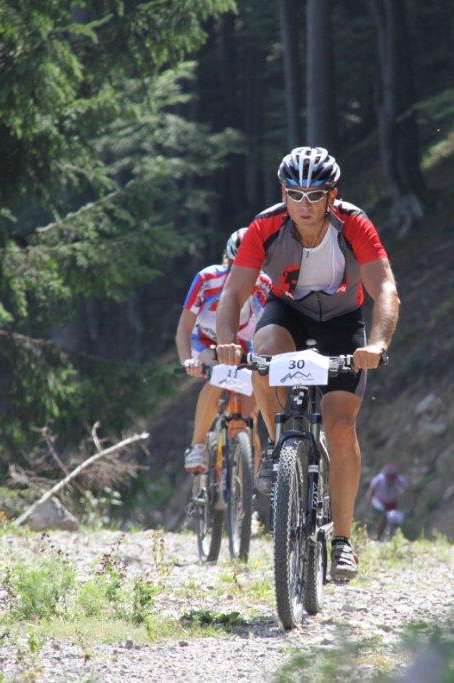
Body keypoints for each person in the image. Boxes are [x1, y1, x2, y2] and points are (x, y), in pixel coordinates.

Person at [215, 146, 401, 582]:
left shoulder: (353, 223)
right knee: (263, 352)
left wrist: (377, 343)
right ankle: (277, 445)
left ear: (331, 195)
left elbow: (385, 290)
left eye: (315, 195)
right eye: (294, 194)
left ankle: (343, 541)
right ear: (283, 193)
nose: (304, 204)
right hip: (289, 313)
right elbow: (233, 293)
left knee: (340, 425)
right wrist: (225, 341)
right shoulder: (266, 225)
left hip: (343, 321)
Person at [176, 228, 272, 473]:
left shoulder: (264, 286)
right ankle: (198, 446)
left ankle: (248, 487)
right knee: (220, 374)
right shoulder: (207, 280)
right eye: (234, 265)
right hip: (206, 343)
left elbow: (271, 330)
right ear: (226, 261)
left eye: (250, 268)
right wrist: (187, 361)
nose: (240, 274)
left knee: (249, 419)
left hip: (244, 347)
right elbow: (184, 329)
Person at [367, 463, 409, 540]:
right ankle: (378, 536)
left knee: (395, 518)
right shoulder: (378, 480)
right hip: (379, 501)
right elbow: (371, 492)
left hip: (392, 501)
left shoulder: (400, 480)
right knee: (383, 517)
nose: (392, 480)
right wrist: (370, 503)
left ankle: (394, 535)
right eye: (390, 478)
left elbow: (408, 491)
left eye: (394, 478)